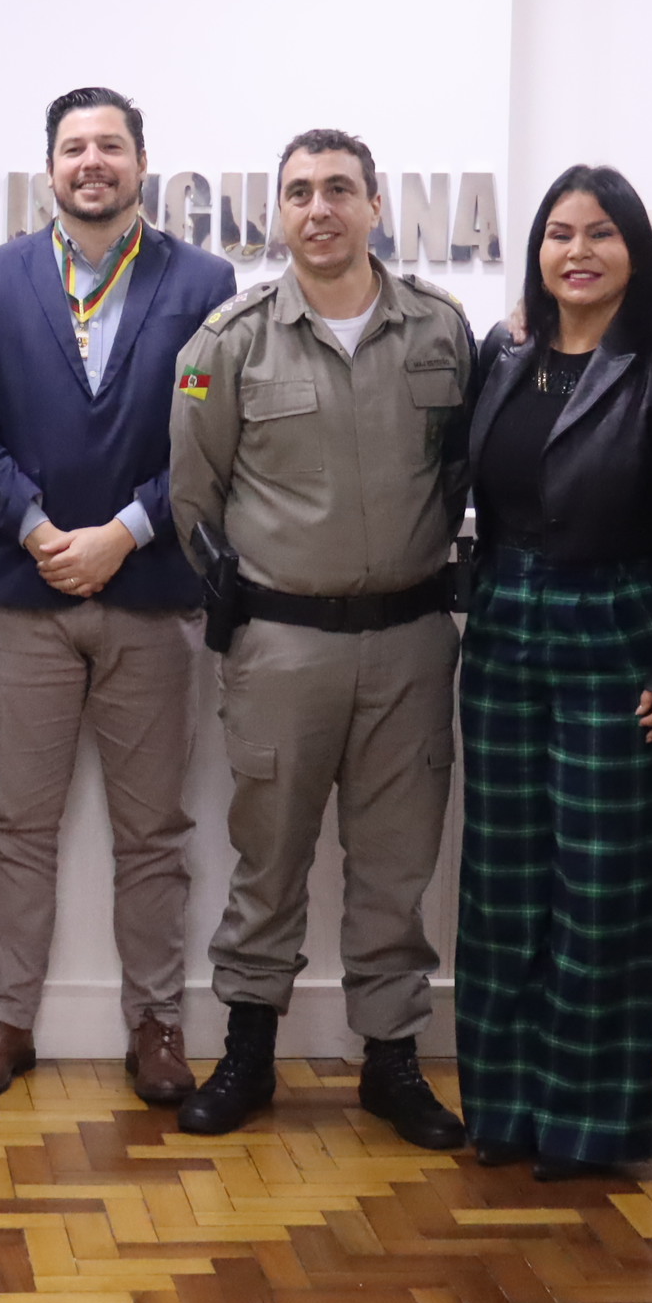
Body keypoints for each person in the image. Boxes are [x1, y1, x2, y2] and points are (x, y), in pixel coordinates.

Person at [167, 130, 473, 1146]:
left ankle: (390, 1062)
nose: (320, 208)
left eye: (340, 188)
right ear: (280, 214)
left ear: (376, 203)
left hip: (412, 645)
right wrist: (249, 606)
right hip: (283, 648)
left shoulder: (440, 330)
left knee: (396, 868)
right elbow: (193, 498)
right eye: (299, 192)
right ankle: (249, 1054)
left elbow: (468, 472)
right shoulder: (231, 340)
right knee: (268, 863)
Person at [0, 88, 237, 1103]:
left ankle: (157, 1024)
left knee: (153, 831)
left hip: (153, 590)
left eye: (110, 145)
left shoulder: (204, 280)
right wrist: (36, 528)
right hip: (24, 595)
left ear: (141, 162)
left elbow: (208, 438)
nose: (92, 162)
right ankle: (6, 1020)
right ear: (50, 168)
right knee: (16, 828)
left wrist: (123, 532)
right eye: (74, 147)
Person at [457, 166, 652, 1180]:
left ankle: (585, 1124)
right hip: (503, 621)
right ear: (537, 248)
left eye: (601, 233)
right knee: (505, 882)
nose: (578, 250)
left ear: (634, 250)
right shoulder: (505, 356)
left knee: (604, 886)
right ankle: (505, 1108)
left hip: (624, 624)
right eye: (560, 232)